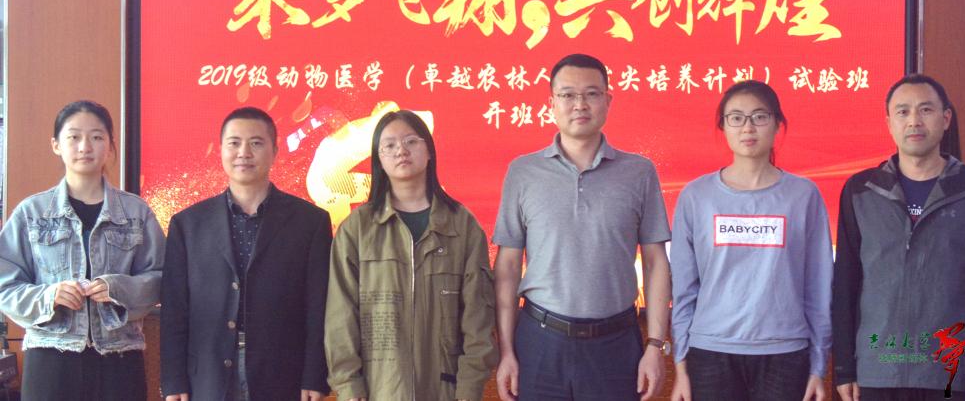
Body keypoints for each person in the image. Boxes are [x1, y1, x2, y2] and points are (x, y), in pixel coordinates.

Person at [493, 53, 672, 401]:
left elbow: (655, 262)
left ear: (608, 101)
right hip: (539, 342)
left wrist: (654, 344)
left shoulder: (639, 172)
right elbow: (508, 267)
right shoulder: (523, 172)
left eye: (591, 94)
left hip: (615, 344)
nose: (580, 104)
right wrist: (507, 351)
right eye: (568, 95)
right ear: (552, 103)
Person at [832, 74, 965, 401]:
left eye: (925, 110)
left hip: (950, 372)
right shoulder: (861, 191)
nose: (914, 120)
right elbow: (846, 284)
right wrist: (843, 367)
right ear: (889, 123)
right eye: (903, 111)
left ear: (946, 119)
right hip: (876, 371)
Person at [669, 80, 832, 401]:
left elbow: (818, 285)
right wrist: (681, 364)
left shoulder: (803, 195)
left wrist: (818, 365)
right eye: (736, 118)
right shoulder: (696, 196)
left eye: (760, 116)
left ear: (777, 123)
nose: (748, 127)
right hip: (711, 352)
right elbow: (684, 289)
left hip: (785, 353)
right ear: (723, 126)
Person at [160, 107, 332, 401]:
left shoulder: (310, 222)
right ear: (221, 150)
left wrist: (315, 375)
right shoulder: (187, 224)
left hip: (283, 374)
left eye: (256, 143)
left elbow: (320, 305)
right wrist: (174, 381)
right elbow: (175, 309)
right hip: (207, 376)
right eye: (234, 143)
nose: (244, 153)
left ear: (275, 151)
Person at [324, 110, 497, 400]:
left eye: (411, 141)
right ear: (379, 160)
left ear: (429, 151)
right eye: (389, 145)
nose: (401, 151)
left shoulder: (461, 225)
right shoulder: (357, 228)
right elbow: (341, 314)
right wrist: (348, 384)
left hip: (447, 389)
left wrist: (469, 387)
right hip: (379, 389)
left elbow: (477, 316)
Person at [0, 100, 164, 400]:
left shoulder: (136, 212)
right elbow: (5, 287)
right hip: (50, 359)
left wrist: (118, 288)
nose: (85, 147)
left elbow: (162, 278)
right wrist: (49, 296)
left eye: (96, 137)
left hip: (119, 359)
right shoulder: (32, 213)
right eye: (74, 137)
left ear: (110, 146)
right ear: (56, 145)